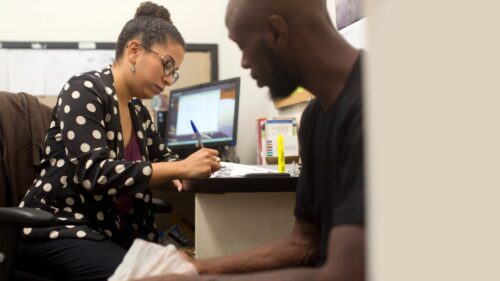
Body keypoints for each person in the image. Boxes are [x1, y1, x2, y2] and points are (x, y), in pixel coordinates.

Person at [141, 0, 365, 280]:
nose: (245, 62)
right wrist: (199, 267)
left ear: (276, 32)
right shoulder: (314, 118)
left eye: (243, 46)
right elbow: (304, 242)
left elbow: (345, 273)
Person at [16, 2, 221, 280]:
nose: (169, 78)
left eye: (175, 71)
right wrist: (181, 169)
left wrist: (198, 164)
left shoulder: (138, 111)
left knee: (185, 269)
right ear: (135, 50)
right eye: (167, 65)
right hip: (58, 226)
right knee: (153, 277)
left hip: (105, 229)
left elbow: (164, 156)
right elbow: (95, 173)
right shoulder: (84, 90)